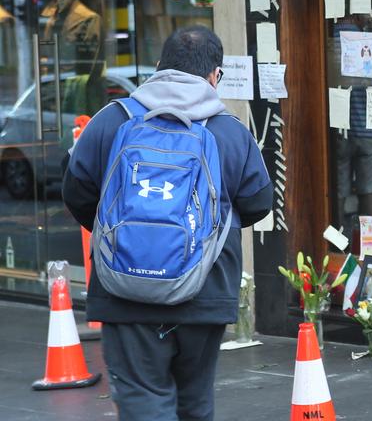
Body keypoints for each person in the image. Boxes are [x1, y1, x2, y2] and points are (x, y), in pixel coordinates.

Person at [63, 26, 272, 421]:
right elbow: (258, 203)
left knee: (144, 401)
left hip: (124, 293)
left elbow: (76, 192)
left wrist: (131, 237)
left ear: (158, 67)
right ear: (215, 76)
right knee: (194, 403)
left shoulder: (112, 120)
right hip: (204, 292)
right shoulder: (230, 131)